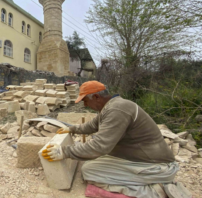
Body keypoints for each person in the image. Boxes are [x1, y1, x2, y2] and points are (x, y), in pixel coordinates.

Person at [42, 81, 190, 198]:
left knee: (89, 171)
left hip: (156, 167)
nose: (85, 105)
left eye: (85, 101)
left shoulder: (117, 109)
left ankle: (155, 191)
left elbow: (99, 147)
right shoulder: (112, 106)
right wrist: (72, 129)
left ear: (96, 97)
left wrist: (64, 152)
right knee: (90, 162)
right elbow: (93, 125)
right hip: (140, 159)